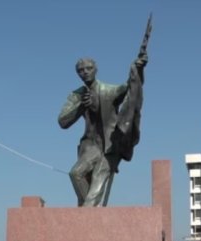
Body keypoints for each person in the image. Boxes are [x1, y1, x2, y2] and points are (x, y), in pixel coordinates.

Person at [58, 52, 147, 207]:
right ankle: (89, 212)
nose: (85, 72)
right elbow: (63, 122)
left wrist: (138, 69)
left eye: (89, 68)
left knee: (94, 194)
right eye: (81, 70)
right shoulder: (76, 95)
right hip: (90, 147)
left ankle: (88, 211)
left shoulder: (109, 91)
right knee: (75, 174)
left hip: (110, 147)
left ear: (96, 69)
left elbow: (132, 87)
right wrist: (81, 106)